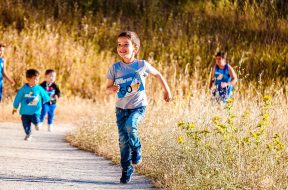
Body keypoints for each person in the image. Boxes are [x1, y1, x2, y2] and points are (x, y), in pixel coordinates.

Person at [106, 31, 172, 184]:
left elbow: (158, 75)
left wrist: (167, 90)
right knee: (123, 141)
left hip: (138, 107)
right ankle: (126, 168)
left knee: (131, 125)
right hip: (121, 109)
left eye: (126, 45)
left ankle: (136, 148)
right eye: (119, 45)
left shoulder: (142, 65)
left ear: (135, 48)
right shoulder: (115, 68)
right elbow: (107, 88)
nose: (122, 48)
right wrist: (113, 89)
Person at [12, 69, 50, 141]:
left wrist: (48, 100)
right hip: (24, 112)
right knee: (26, 125)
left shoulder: (39, 88)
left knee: (36, 120)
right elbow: (18, 98)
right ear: (28, 79)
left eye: (38, 79)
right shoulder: (23, 89)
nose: (37, 81)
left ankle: (37, 123)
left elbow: (45, 95)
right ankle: (28, 134)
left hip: (35, 111)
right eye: (35, 79)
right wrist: (15, 107)